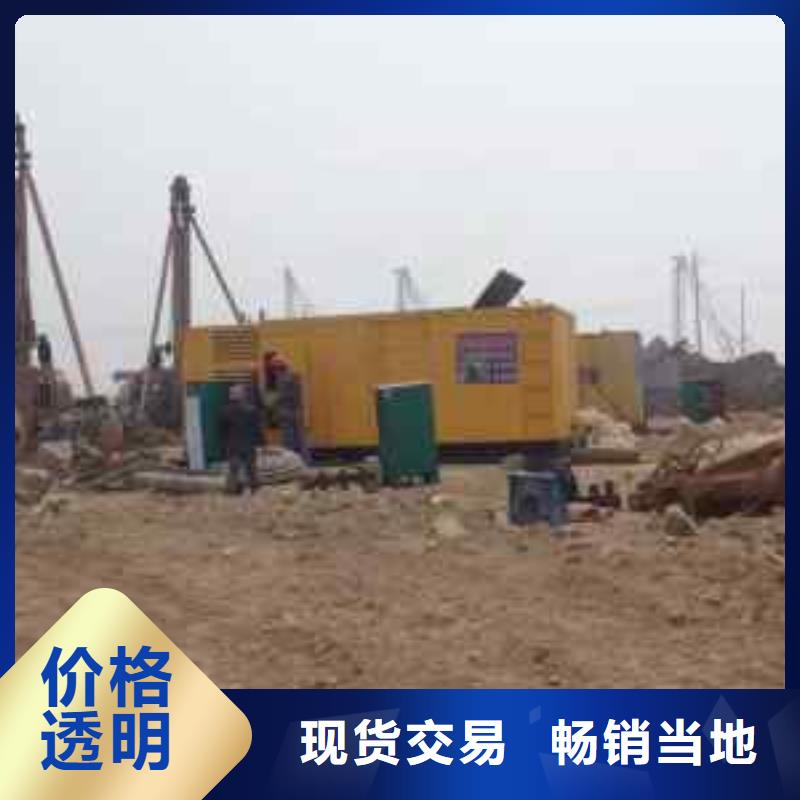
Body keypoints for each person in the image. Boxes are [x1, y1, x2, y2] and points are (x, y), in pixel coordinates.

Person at [218, 383, 263, 495]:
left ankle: (233, 490)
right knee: (251, 469)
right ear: (244, 395)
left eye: (234, 393)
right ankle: (254, 489)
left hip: (233, 445)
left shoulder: (224, 411)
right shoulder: (251, 410)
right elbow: (257, 429)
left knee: (234, 469)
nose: (233, 395)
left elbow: (222, 431)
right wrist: (261, 444)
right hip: (248, 444)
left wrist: (223, 446)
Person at [271, 354, 310, 463]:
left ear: (279, 367)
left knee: (289, 440)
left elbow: (285, 395)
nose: (274, 370)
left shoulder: (284, 377)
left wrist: (273, 401)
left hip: (288, 412)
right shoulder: (293, 375)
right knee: (300, 439)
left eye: (274, 367)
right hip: (296, 411)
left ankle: (291, 462)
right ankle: (304, 460)